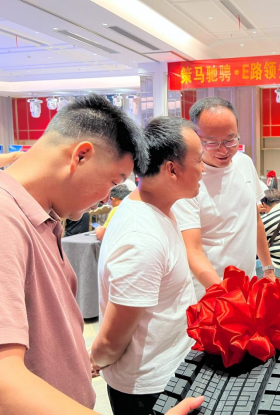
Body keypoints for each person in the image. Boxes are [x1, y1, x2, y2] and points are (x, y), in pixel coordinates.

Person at [0, 94, 201, 415]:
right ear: (81, 155)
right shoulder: (5, 219)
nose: (107, 197)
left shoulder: (43, 217)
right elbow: (4, 381)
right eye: (112, 181)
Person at [92, 117, 203, 415]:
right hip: (149, 389)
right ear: (172, 169)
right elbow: (111, 341)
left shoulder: (157, 208)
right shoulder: (142, 238)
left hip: (170, 368)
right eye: (199, 160)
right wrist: (93, 360)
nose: (203, 169)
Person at [172, 97, 275, 300]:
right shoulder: (187, 179)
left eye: (230, 140)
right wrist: (224, 293)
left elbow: (254, 220)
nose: (223, 150)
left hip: (247, 284)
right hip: (208, 292)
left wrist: (268, 268)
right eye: (211, 142)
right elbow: (192, 249)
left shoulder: (244, 163)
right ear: (195, 138)